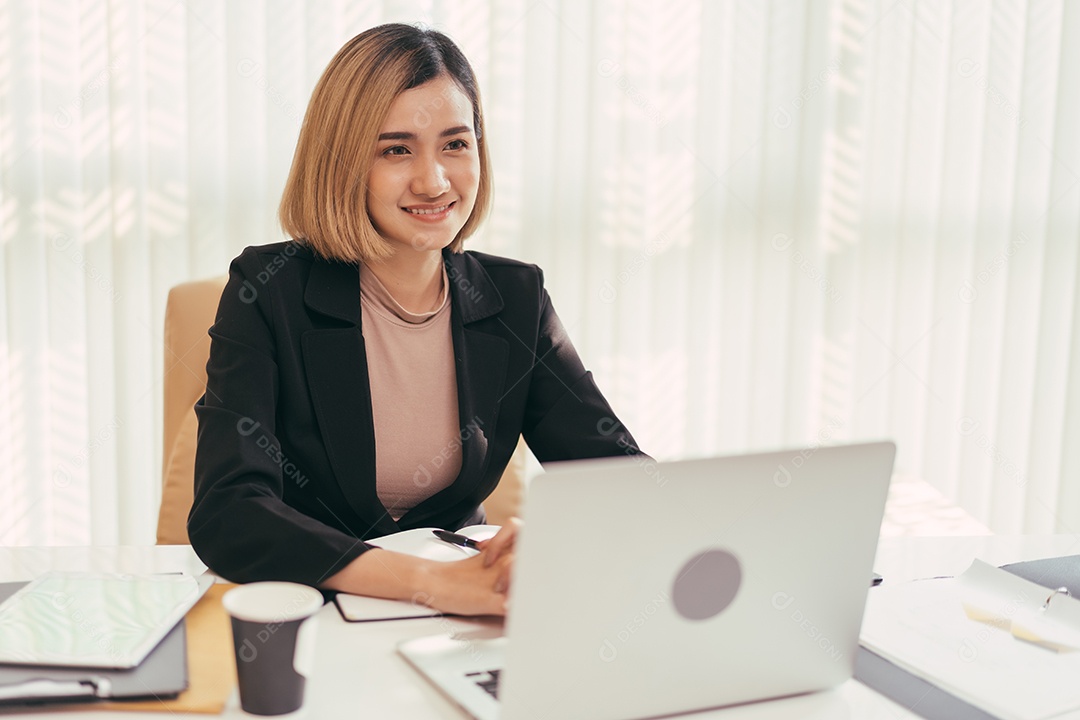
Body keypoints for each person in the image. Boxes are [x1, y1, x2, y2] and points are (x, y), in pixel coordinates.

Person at [187, 23, 641, 617]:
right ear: (342, 163)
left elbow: (617, 480)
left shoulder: (515, 296)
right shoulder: (269, 290)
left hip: (458, 625)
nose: (434, 181)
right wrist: (432, 582)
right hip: (309, 614)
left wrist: (554, 541)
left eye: (455, 144)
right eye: (396, 150)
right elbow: (229, 512)